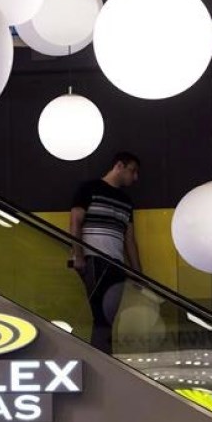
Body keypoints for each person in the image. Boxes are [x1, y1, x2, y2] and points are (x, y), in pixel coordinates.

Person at [69, 152, 142, 355]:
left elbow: (129, 239)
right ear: (119, 165)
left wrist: (138, 273)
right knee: (102, 316)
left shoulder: (126, 201)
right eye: (133, 171)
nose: (135, 177)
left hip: (117, 265)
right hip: (94, 259)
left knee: (109, 316)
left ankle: (104, 360)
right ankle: (104, 361)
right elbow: (75, 222)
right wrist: (79, 256)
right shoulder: (89, 188)